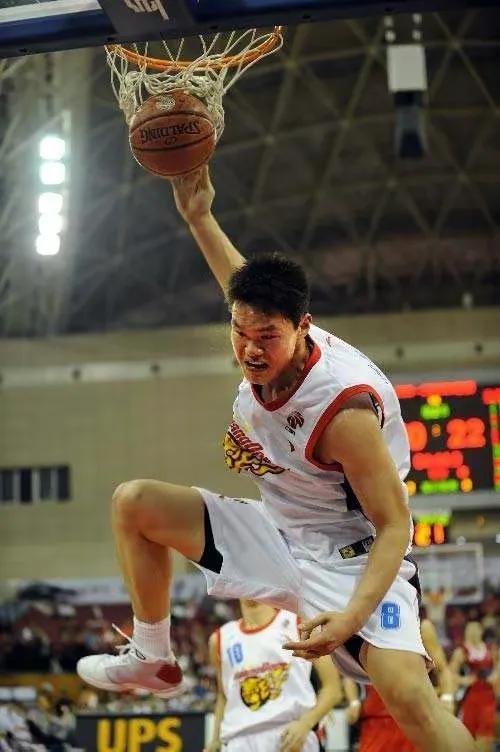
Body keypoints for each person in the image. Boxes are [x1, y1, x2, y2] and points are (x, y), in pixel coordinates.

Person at [77, 167, 474, 752]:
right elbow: (237, 281)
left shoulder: (344, 412)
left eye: (267, 336)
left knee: (412, 702)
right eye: (240, 332)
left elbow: (396, 526)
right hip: (276, 532)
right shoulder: (255, 323)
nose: (249, 348)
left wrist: (348, 617)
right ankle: (152, 655)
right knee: (134, 503)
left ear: (302, 328)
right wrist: (198, 216)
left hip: (350, 557)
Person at [204, 599, 341, 752]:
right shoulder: (221, 638)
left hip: (289, 735)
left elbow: (333, 688)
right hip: (239, 740)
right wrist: (215, 740)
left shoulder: (298, 622)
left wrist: (306, 723)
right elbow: (223, 696)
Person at [344, 617, 456, 752]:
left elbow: (443, 669)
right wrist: (353, 702)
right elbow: (349, 672)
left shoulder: (420, 626)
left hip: (415, 717)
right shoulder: (360, 622)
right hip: (376, 719)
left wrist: (447, 698)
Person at [450, 621, 498, 752]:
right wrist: (464, 680)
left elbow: (497, 665)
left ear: (481, 631)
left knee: (486, 733)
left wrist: (494, 675)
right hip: (471, 696)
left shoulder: (489, 649)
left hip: (488, 696)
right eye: (472, 629)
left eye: (477, 629)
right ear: (467, 632)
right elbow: (450, 673)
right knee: (468, 732)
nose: (475, 632)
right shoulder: (463, 650)